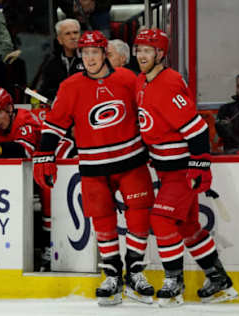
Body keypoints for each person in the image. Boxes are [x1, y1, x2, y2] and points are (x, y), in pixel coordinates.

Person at [33, 30, 155, 306]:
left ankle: (135, 273)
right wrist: (44, 154)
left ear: (105, 54)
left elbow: (149, 110)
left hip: (132, 161)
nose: (89, 58)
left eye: (94, 53)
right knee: (103, 221)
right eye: (84, 53)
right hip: (93, 166)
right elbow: (54, 125)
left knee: (138, 217)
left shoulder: (127, 79)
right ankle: (112, 275)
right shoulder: (70, 86)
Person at [133, 28, 238, 306]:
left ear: (160, 54)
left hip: (181, 169)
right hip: (165, 169)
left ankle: (174, 283)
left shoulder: (168, 82)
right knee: (189, 226)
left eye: (147, 50)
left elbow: (197, 128)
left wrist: (200, 165)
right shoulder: (142, 81)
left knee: (162, 219)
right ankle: (219, 280)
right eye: (139, 49)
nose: (141, 55)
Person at [37, 19, 84, 101]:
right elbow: (44, 92)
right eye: (67, 34)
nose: (73, 37)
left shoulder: (91, 59)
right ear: (59, 39)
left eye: (75, 33)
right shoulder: (51, 64)